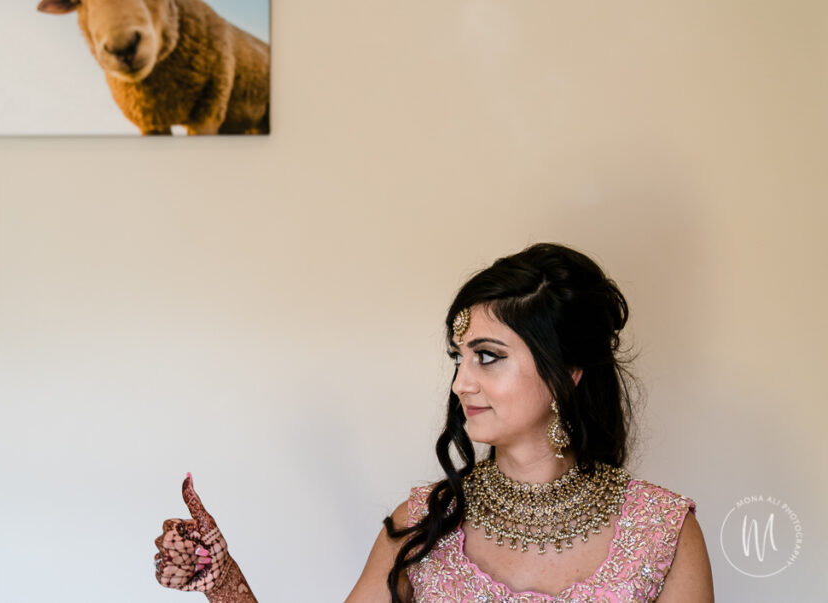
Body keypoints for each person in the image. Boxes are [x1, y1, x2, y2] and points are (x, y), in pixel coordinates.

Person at [153, 243, 716, 602]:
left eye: (488, 356)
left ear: (568, 372)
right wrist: (223, 582)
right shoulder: (423, 523)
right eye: (459, 358)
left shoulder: (662, 532)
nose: (460, 384)